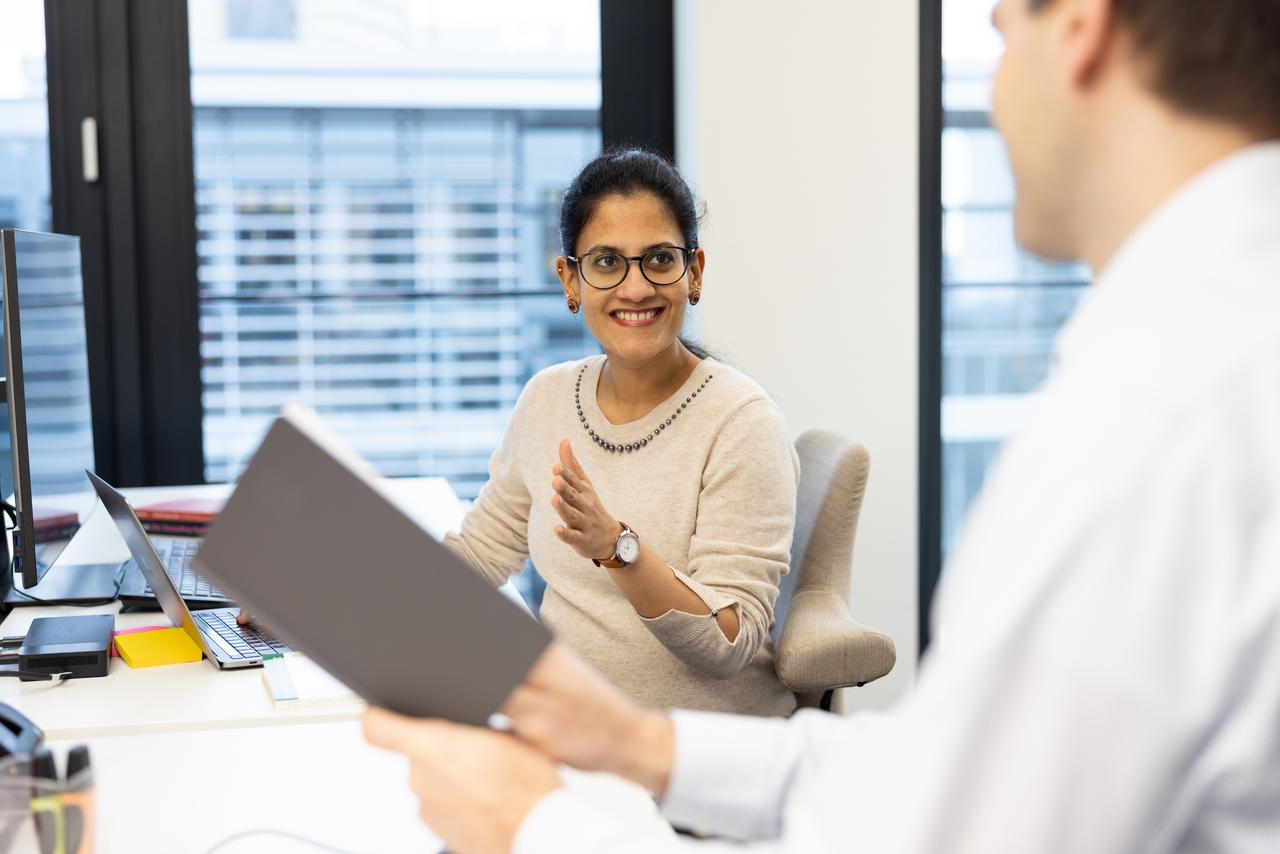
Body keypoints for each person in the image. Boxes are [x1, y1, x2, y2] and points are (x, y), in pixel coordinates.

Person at [364, 0, 1280, 851]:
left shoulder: (1159, 414)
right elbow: (942, 775)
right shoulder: (1201, 355)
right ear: (571, 278)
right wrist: (636, 744)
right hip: (604, 763)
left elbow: (969, 829)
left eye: (998, 31)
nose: (993, 93)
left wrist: (534, 826)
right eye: (606, 263)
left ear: (1080, 27)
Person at [440, 149, 800, 717]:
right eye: (607, 262)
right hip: (569, 731)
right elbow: (481, 555)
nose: (636, 289)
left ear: (695, 271)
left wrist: (618, 549)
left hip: (694, 760)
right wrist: (332, 606)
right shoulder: (547, 399)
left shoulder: (742, 422)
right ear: (571, 279)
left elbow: (728, 642)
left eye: (659, 259)